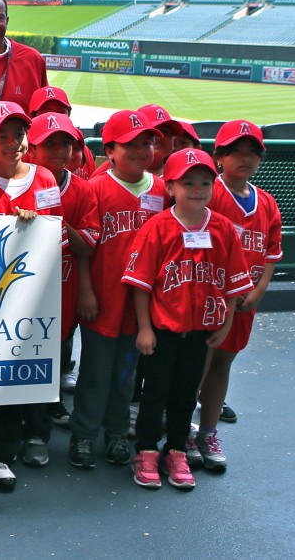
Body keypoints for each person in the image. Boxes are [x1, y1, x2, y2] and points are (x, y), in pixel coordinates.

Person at [122, 148, 253, 490]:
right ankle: (147, 451)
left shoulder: (223, 228)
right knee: (155, 395)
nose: (197, 189)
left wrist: (224, 324)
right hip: (163, 331)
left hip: (201, 331)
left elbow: (233, 285)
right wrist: (145, 328)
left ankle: (177, 450)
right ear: (170, 188)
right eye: (188, 182)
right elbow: (141, 285)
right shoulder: (158, 228)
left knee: (184, 395)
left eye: (205, 183)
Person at [0, 101, 64, 472]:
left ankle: (2, 453)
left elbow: (54, 235)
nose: (12, 142)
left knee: (12, 377)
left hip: (26, 297)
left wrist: (33, 226)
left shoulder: (46, 179)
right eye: (1, 136)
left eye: (18, 134)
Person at [68, 110, 167, 472]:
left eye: (147, 143)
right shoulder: (96, 187)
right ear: (110, 149)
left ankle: (115, 432)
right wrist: (86, 292)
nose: (142, 150)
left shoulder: (160, 189)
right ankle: (84, 432)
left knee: (127, 375)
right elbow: (85, 250)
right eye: (131, 145)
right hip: (105, 296)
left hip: (141, 305)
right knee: (95, 372)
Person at [193, 121, 282, 470]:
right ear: (219, 157)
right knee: (197, 366)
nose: (245, 158)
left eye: (252, 152)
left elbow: (272, 253)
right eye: (236, 152)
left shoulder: (267, 202)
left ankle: (208, 430)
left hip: (244, 303)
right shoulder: (208, 193)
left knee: (223, 365)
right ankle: (185, 428)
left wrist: (259, 289)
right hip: (209, 298)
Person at [26, 113, 101, 428]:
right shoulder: (22, 181)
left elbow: (86, 247)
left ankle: (45, 413)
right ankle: (25, 420)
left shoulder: (82, 190)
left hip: (65, 286)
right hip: (25, 291)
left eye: (66, 143)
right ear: (32, 149)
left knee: (55, 352)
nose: (59, 150)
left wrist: (54, 218)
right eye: (50, 143)